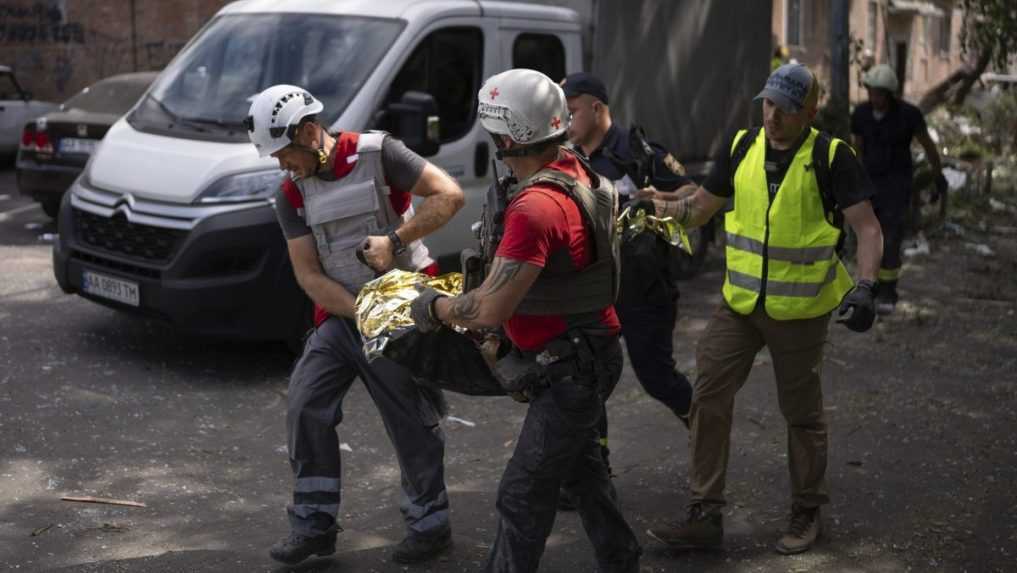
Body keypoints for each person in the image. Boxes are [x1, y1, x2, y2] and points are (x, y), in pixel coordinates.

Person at [644, 64, 884, 555]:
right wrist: (657, 209)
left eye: (786, 109)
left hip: (800, 311)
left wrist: (865, 286)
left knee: (800, 413)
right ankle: (704, 514)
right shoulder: (741, 147)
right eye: (768, 104)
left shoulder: (831, 156)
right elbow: (701, 210)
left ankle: (807, 509)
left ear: (809, 112)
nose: (772, 117)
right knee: (707, 393)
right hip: (740, 305)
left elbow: (869, 228)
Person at [411, 68, 641, 573]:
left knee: (522, 495)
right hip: (583, 352)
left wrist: (433, 306)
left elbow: (490, 309)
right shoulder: (573, 166)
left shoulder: (536, 206)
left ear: (509, 136)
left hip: (570, 368)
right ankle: (623, 559)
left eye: (493, 133)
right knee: (583, 477)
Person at [245, 84, 464, 565]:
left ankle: (430, 524)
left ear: (308, 131)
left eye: (284, 154)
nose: (282, 165)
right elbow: (307, 274)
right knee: (305, 404)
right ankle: (314, 525)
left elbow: (449, 196)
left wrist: (395, 238)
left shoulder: (379, 153)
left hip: (405, 310)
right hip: (345, 316)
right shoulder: (290, 194)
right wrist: (362, 313)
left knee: (410, 418)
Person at [561, 72, 695, 477]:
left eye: (572, 111)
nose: (566, 120)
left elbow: (695, 194)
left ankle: (707, 430)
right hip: (592, 291)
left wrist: (662, 198)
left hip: (643, 288)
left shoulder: (639, 152)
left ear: (597, 107)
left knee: (656, 377)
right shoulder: (567, 158)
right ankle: (592, 470)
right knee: (588, 381)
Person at [852, 64, 947, 314]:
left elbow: (928, 146)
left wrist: (938, 176)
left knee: (891, 238)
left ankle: (888, 289)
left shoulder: (909, 115)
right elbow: (856, 149)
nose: (875, 98)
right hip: (869, 185)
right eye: (872, 92)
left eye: (880, 93)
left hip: (897, 185)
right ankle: (867, 287)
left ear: (890, 94)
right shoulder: (861, 114)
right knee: (868, 236)